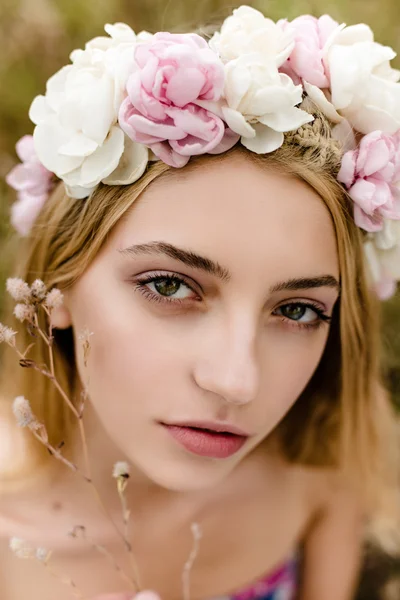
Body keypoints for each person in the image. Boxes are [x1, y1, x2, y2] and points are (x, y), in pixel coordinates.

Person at [1, 6, 400, 600]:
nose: (237, 381)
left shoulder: (321, 469)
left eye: (296, 310)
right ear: (58, 285)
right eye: (169, 286)